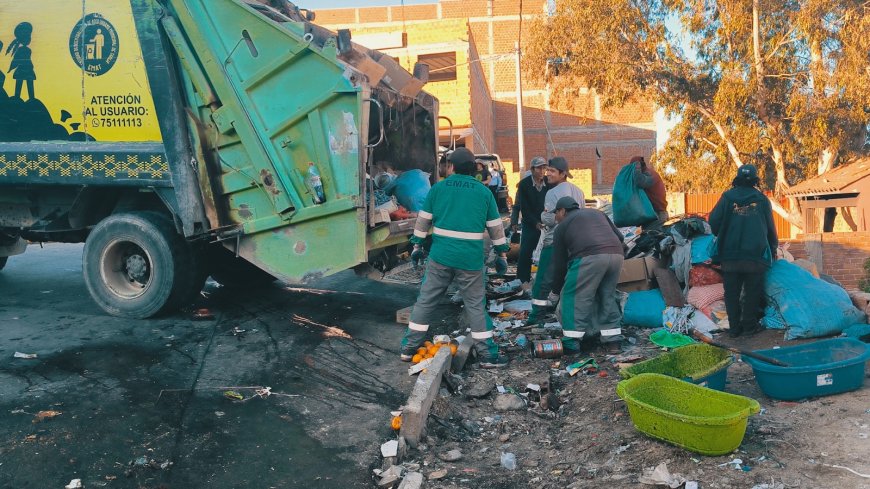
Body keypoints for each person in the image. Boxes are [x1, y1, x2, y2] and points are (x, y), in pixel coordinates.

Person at [400, 147, 510, 368]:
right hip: (470, 261)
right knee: (475, 305)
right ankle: (488, 355)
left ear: (451, 167)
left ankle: (409, 348)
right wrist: (502, 254)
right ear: (474, 169)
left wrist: (416, 247)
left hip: (441, 257)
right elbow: (496, 229)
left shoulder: (438, 189)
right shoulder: (483, 192)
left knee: (426, 300)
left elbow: (423, 222)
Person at [709, 164, 778, 338]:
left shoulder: (726, 198)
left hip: (730, 256)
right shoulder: (762, 200)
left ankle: (734, 329)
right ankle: (749, 327)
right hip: (755, 257)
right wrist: (773, 248)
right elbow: (770, 228)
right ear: (755, 179)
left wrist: (725, 233)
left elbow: (713, 222)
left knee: (731, 293)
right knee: (752, 292)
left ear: (737, 178)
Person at [548, 197, 625, 352]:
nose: (555, 217)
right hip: (616, 255)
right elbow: (620, 237)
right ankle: (613, 341)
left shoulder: (562, 227)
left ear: (562, 211)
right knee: (607, 296)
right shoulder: (596, 213)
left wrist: (556, 292)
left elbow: (560, 265)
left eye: (556, 213)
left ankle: (571, 341)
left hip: (590, 257)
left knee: (574, 296)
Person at [527, 156, 585, 325]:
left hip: (554, 242)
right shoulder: (579, 191)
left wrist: (543, 215)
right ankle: (562, 314)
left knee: (542, 281)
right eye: (548, 170)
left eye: (552, 171)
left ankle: (536, 316)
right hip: (575, 243)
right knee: (566, 279)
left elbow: (551, 219)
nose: (547, 174)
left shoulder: (552, 193)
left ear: (563, 174)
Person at [509, 156, 551, 289]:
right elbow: (523, 207)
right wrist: (532, 222)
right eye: (539, 168)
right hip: (529, 223)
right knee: (526, 252)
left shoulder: (548, 183)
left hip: (545, 223)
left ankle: (544, 281)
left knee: (546, 251)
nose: (542, 171)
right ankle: (522, 280)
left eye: (544, 168)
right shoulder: (524, 185)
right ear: (532, 169)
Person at [632, 156, 668, 231]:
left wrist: (636, 168)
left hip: (658, 215)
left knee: (655, 239)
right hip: (650, 215)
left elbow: (640, 182)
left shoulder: (650, 174)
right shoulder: (645, 174)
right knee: (648, 239)